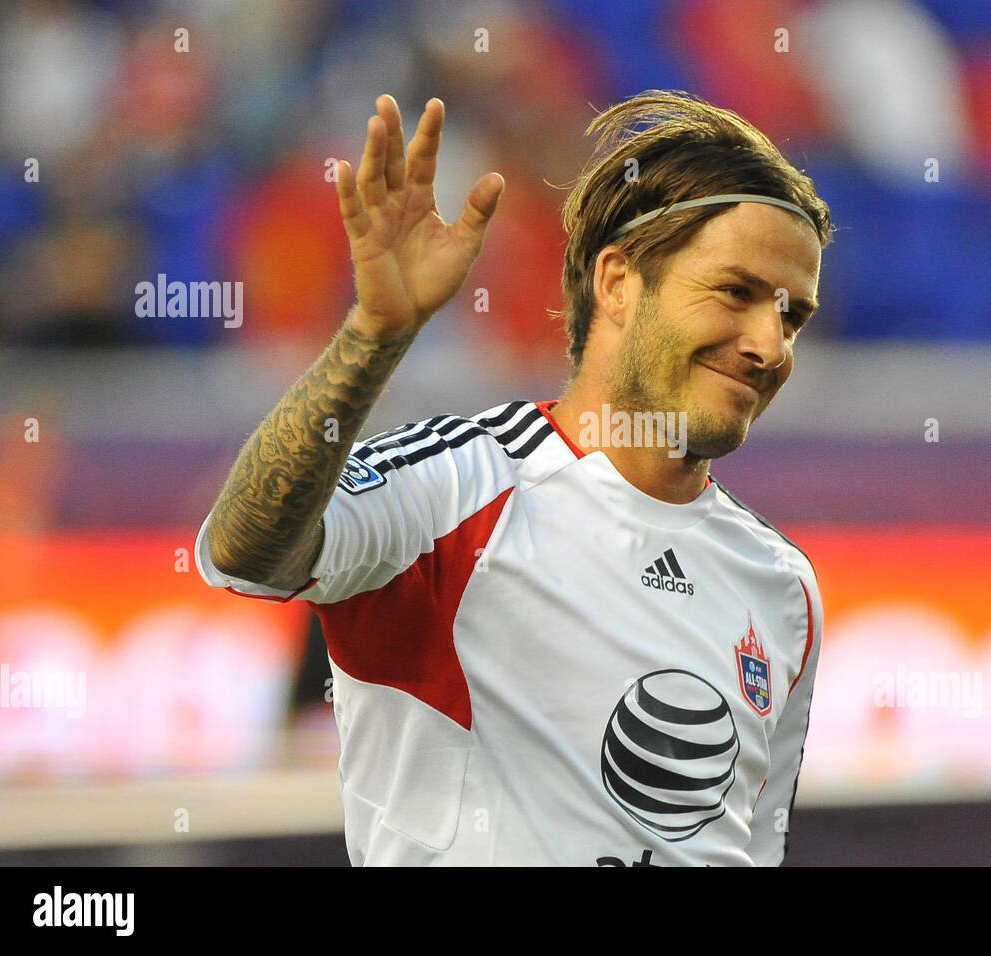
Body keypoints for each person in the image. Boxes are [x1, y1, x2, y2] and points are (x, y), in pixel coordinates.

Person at [195, 89, 833, 865]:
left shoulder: (783, 587)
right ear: (618, 282)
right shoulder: (455, 488)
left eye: (791, 315)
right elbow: (243, 551)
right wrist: (374, 334)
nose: (770, 345)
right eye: (735, 292)